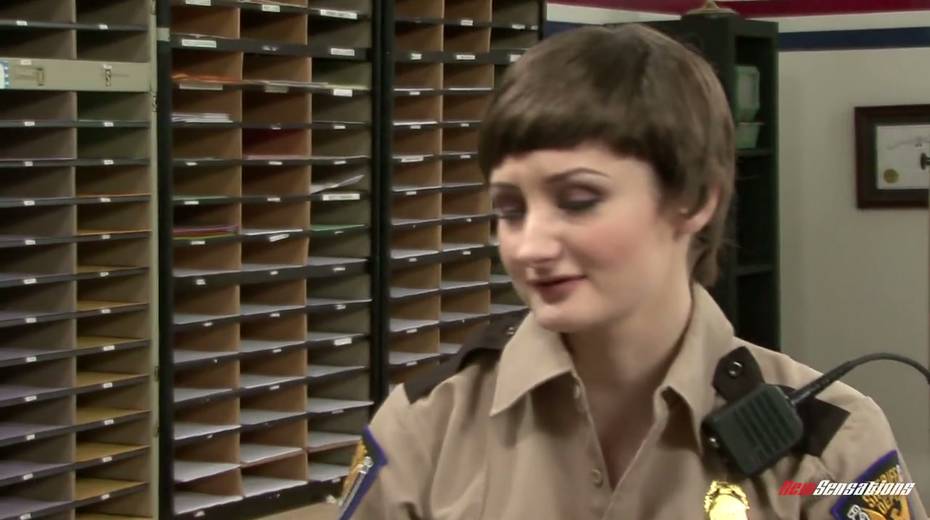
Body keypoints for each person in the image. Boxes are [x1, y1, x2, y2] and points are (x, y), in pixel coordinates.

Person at [338, 24, 927, 519]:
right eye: (510, 210)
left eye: (578, 200)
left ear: (695, 200)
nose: (529, 246)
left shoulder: (827, 451)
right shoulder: (427, 430)